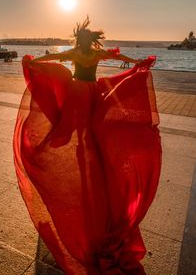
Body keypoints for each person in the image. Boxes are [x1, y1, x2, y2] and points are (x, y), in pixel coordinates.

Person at [13, 17, 161, 274]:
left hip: (77, 93)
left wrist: (32, 62)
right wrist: (137, 63)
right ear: (90, 39)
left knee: (75, 129)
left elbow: (52, 60)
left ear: (78, 39)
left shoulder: (76, 52)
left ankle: (77, 152)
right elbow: (118, 58)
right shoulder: (94, 53)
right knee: (90, 131)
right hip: (92, 93)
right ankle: (86, 154)